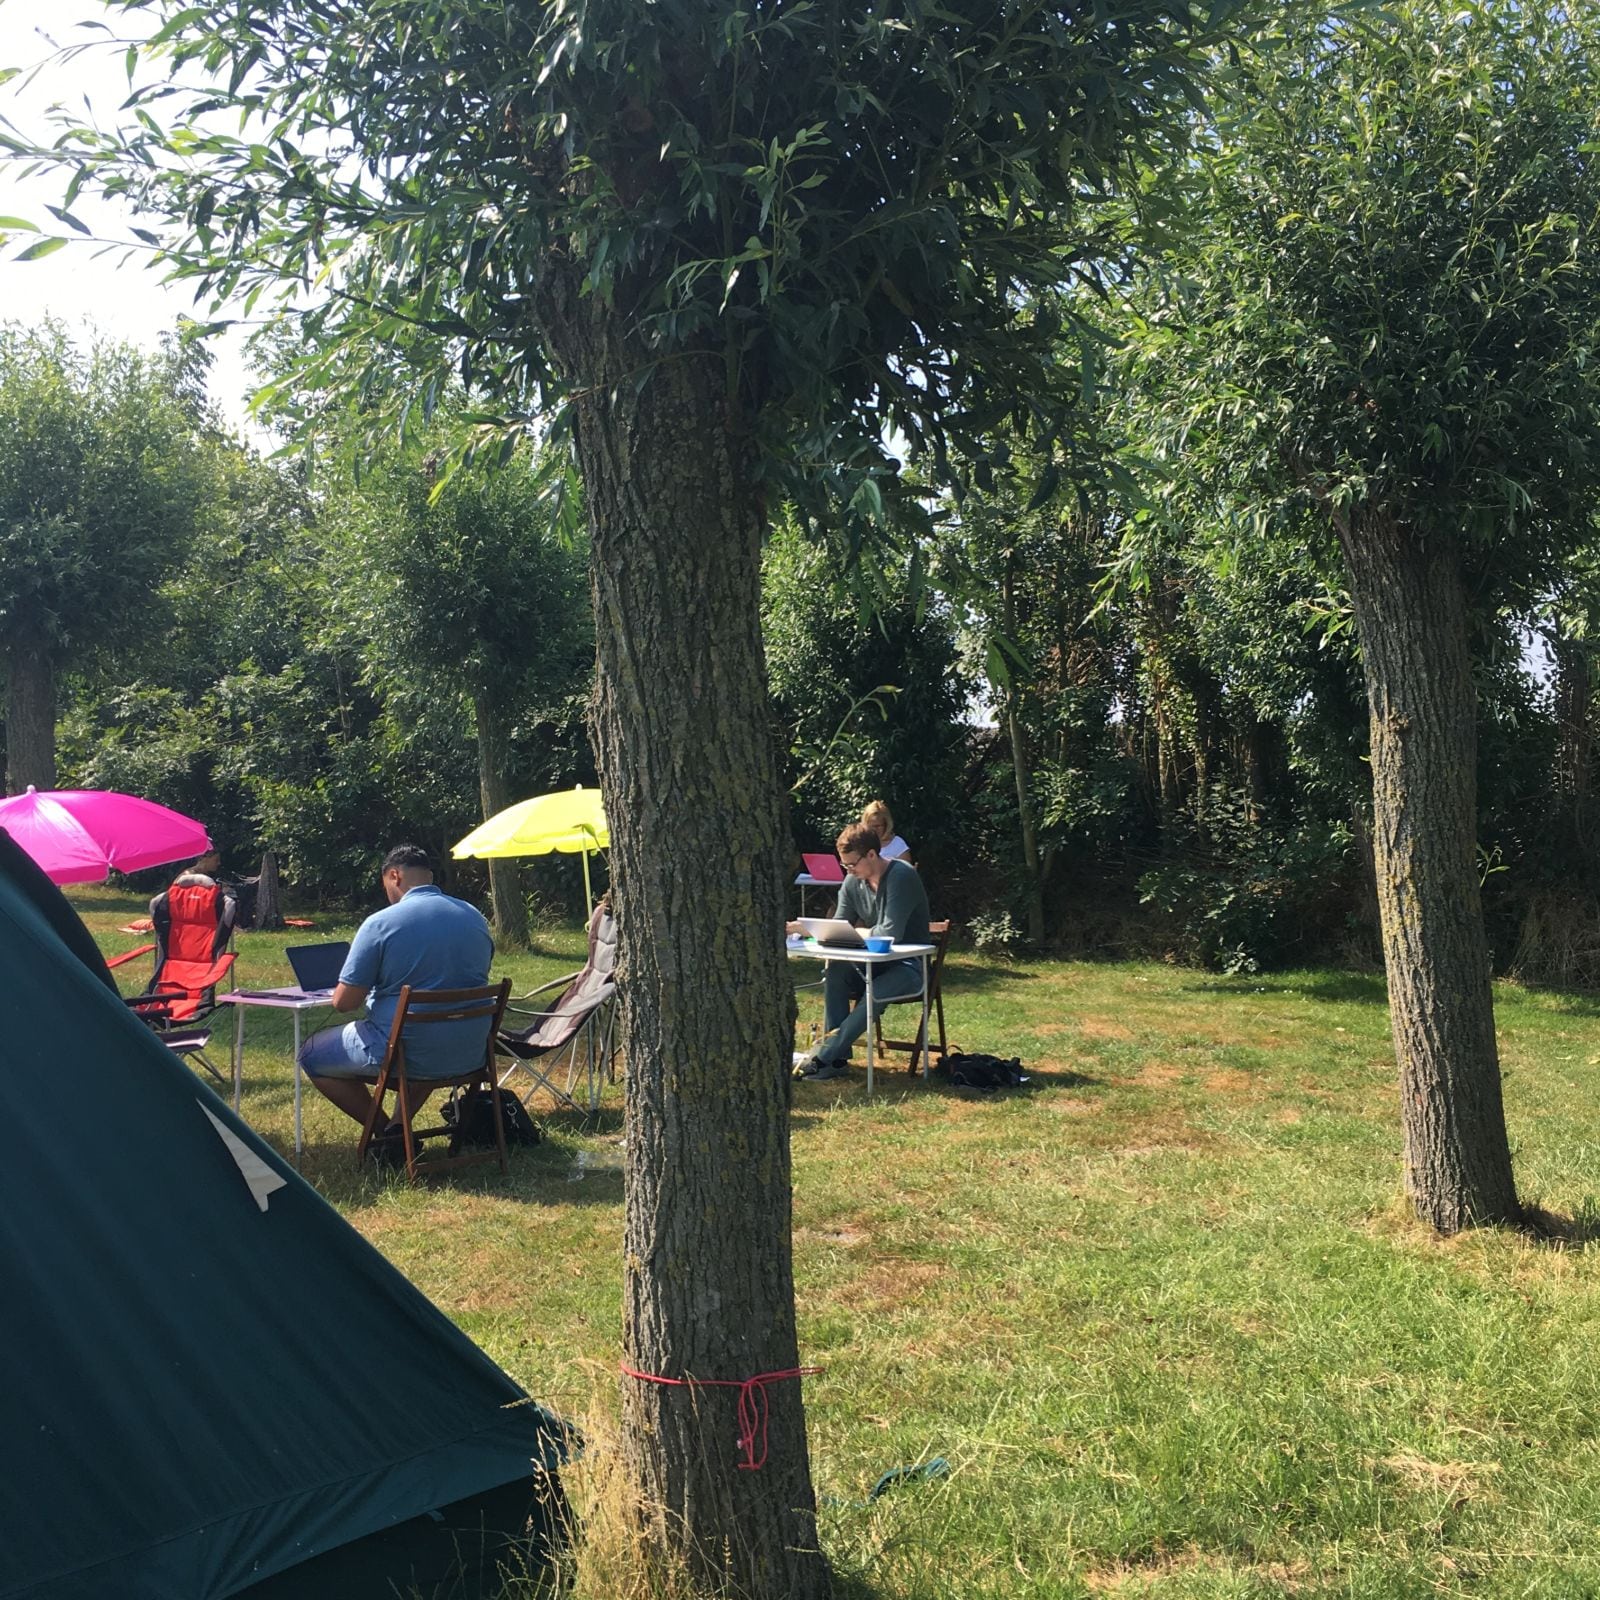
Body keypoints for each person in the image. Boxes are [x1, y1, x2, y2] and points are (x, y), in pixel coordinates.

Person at [297, 844, 494, 1154]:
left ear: (394, 875)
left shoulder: (381, 923)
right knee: (422, 1034)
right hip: (469, 1050)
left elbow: (344, 1003)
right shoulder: (474, 917)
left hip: (409, 1050)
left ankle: (387, 1136)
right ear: (429, 877)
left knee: (310, 1053)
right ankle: (399, 1128)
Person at [787, 821, 930, 1081]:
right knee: (836, 972)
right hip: (871, 962)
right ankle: (835, 1061)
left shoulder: (902, 875)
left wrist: (858, 933)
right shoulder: (854, 882)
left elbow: (889, 933)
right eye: (845, 866)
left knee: (874, 993)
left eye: (853, 864)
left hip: (908, 966)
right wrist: (803, 928)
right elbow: (838, 926)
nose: (849, 871)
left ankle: (822, 1056)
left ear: (872, 855)